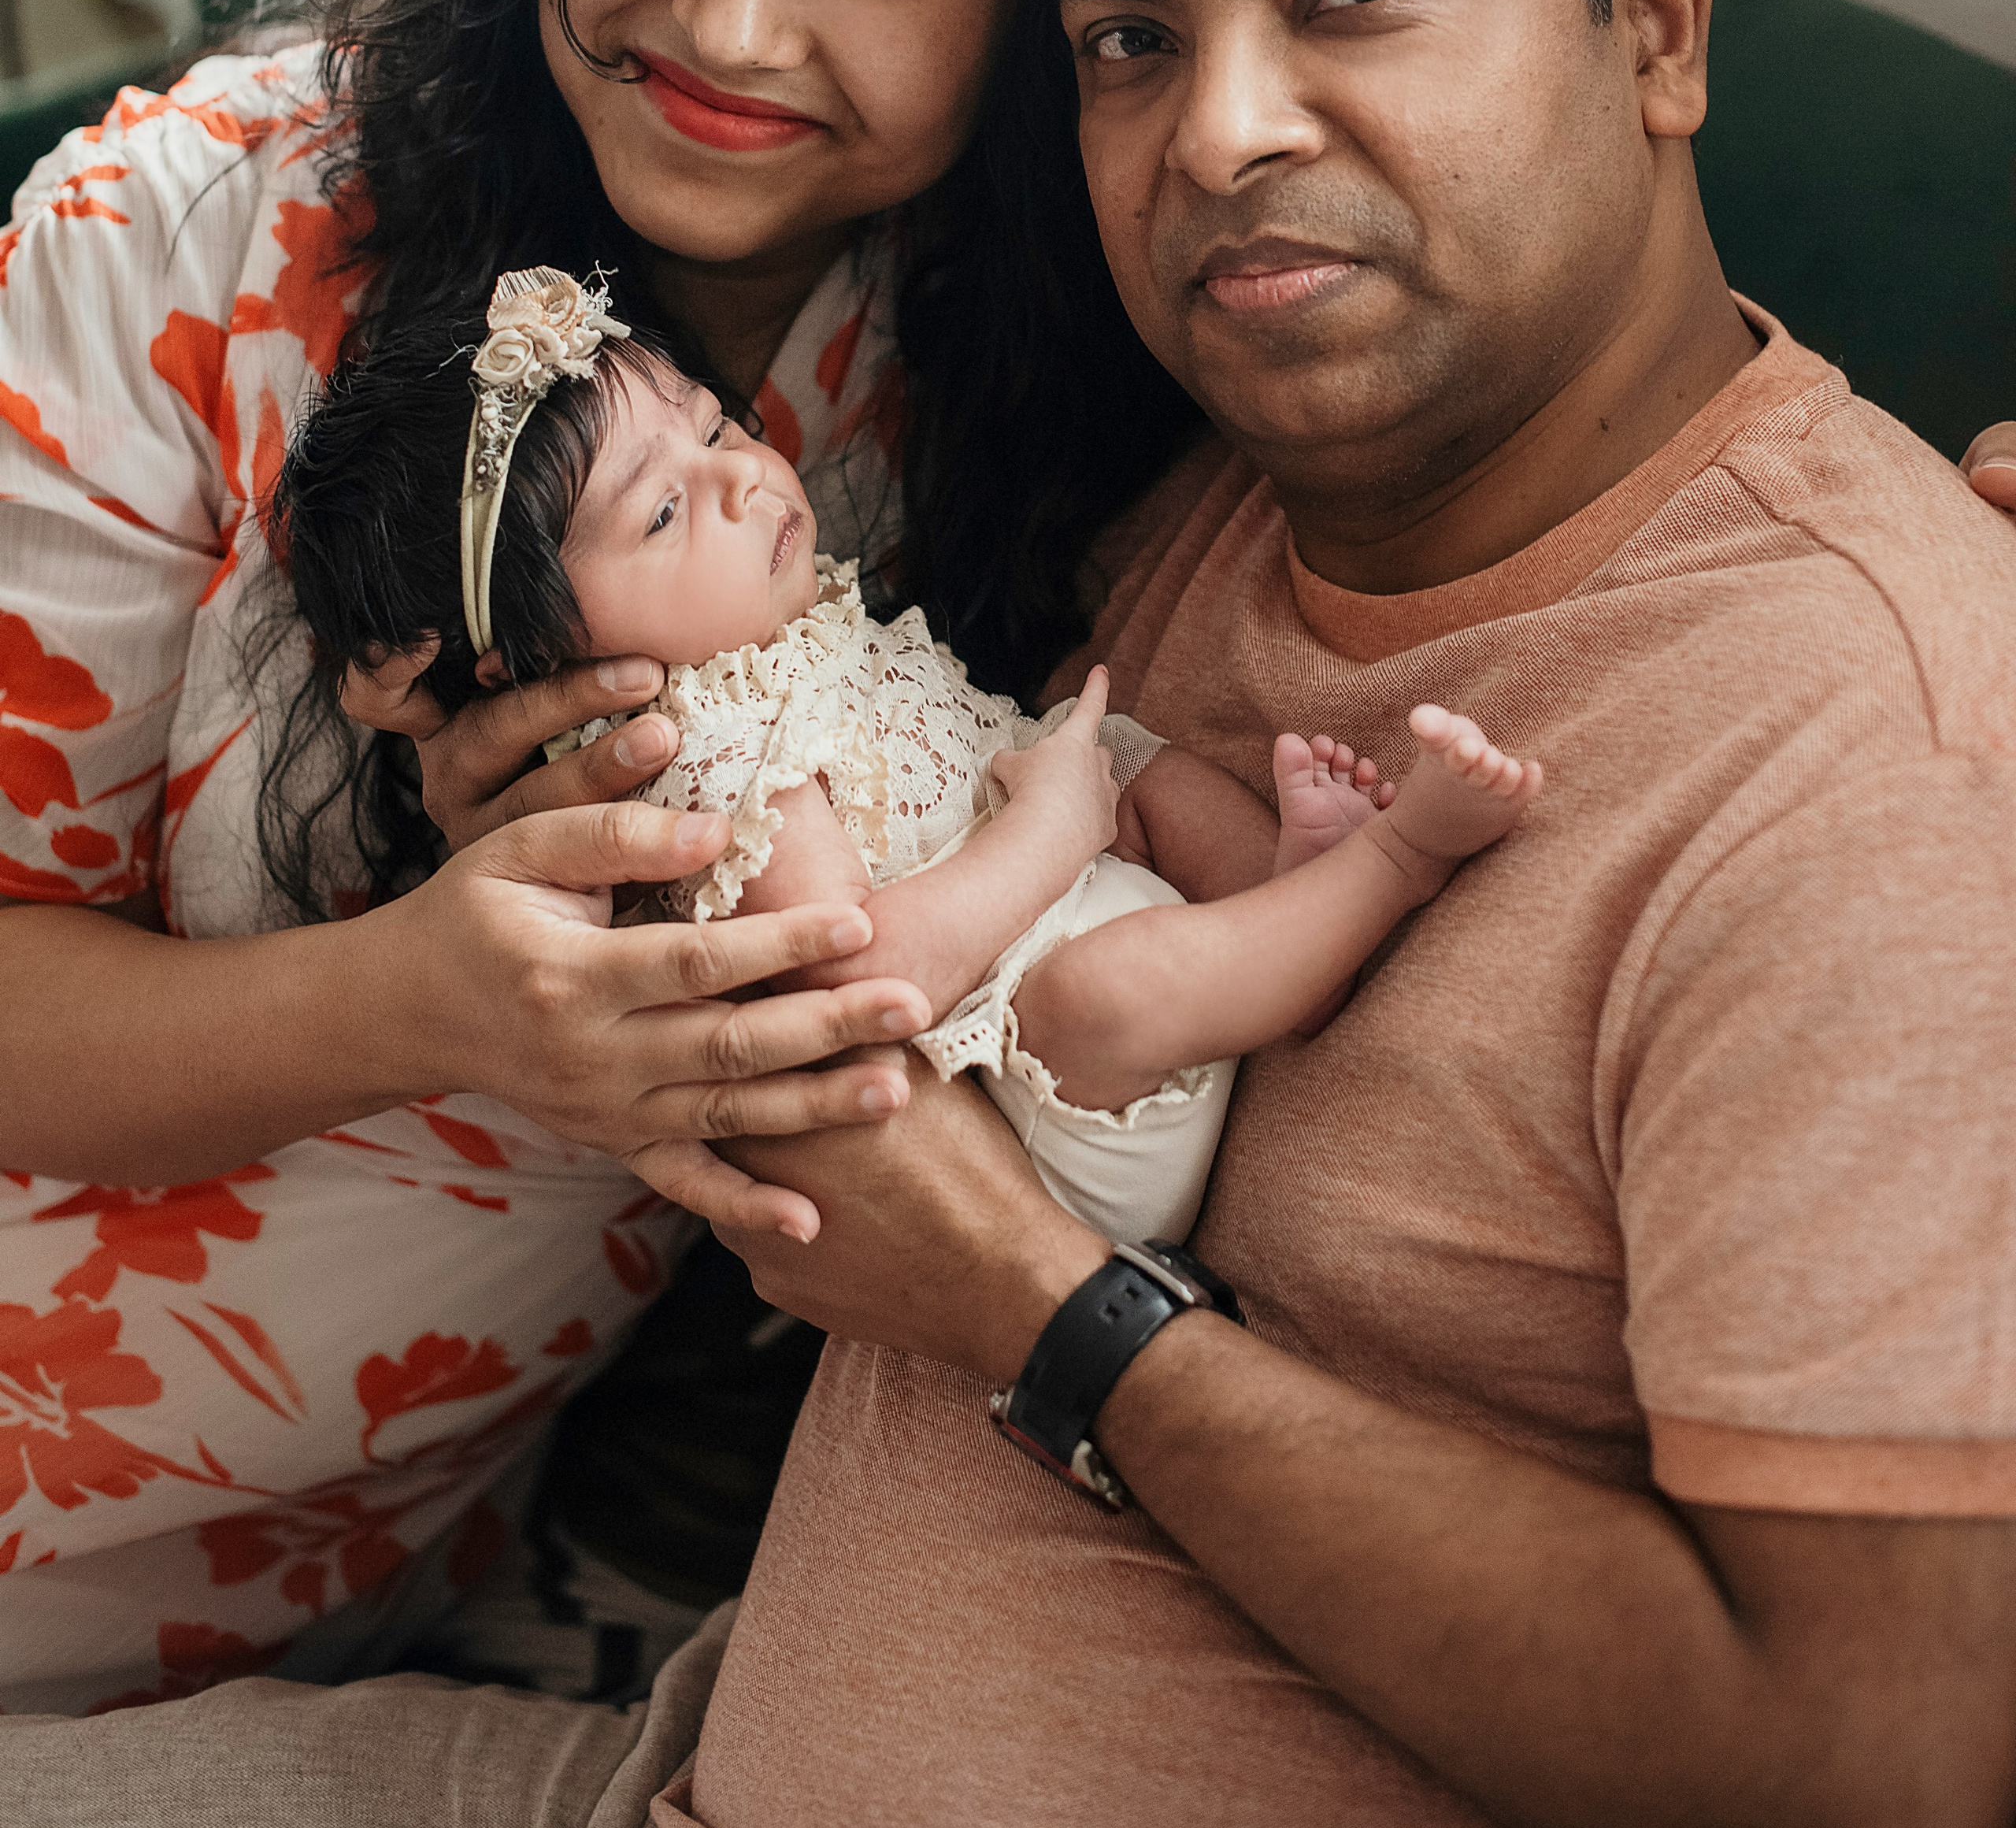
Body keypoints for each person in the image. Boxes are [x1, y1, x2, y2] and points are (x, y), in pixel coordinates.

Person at [7, 0, 2016, 1828]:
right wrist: (436, 978)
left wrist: (1039, 1302)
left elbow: (1862, 1791)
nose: (1227, 133)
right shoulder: (1146, 448)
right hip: (483, 1694)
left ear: (1658, 21)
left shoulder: (1817, 704)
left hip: (512, 1628)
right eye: (1132, 38)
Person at [0, 0, 1199, 1716]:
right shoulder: (184, 238)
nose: (733, 21)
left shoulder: (1017, 378)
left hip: (359, 1585)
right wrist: (416, 997)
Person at [273, 265, 1538, 1246]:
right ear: (524, 658)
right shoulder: (696, 758)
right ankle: (1388, 868)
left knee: (1137, 760)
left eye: (716, 430)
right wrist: (1054, 830)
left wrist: (1072, 804)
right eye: (659, 513)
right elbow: (860, 981)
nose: (739, 483)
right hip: (1051, 1099)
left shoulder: (783, 626)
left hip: (1058, 889)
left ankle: (1284, 884)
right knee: (1108, 977)